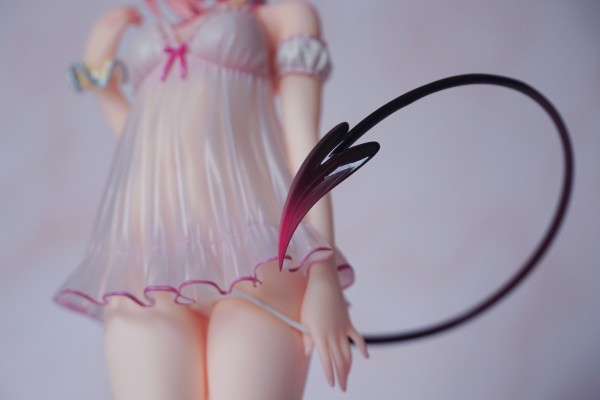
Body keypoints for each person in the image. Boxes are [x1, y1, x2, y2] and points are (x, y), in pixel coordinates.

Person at [56, 0, 368, 398]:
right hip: (149, 262)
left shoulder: (283, 17)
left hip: (255, 260)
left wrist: (323, 277)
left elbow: (304, 147)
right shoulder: (162, 27)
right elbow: (145, 153)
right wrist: (104, 86)